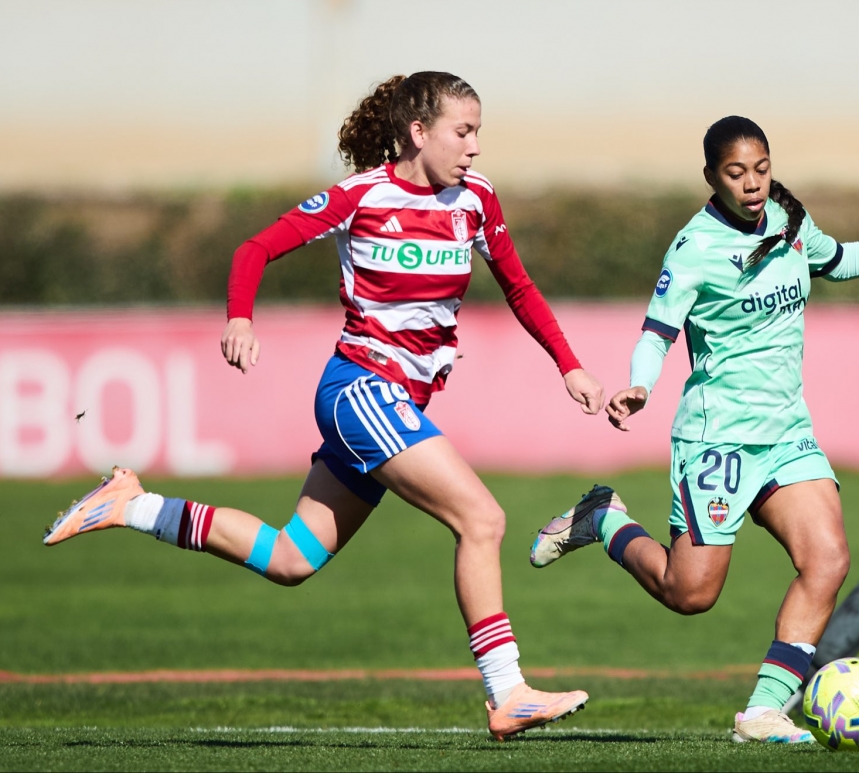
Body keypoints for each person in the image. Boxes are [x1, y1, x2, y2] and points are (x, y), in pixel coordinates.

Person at [43, 71, 605, 741]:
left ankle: (130, 504)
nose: (475, 146)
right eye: (464, 130)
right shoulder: (360, 196)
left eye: (478, 131)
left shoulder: (476, 200)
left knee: (291, 558)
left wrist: (569, 364)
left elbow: (519, 286)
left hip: (389, 400)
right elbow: (255, 249)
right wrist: (240, 319)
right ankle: (507, 692)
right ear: (417, 132)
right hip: (361, 389)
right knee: (482, 519)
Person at [530, 115, 859, 744]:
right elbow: (658, 331)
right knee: (691, 594)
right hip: (718, 440)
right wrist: (640, 386)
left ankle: (763, 711)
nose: (753, 183)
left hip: (787, 432)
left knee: (827, 558)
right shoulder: (693, 247)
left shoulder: (791, 221)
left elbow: (841, 261)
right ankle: (603, 519)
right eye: (737, 173)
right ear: (712, 177)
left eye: (761, 169)